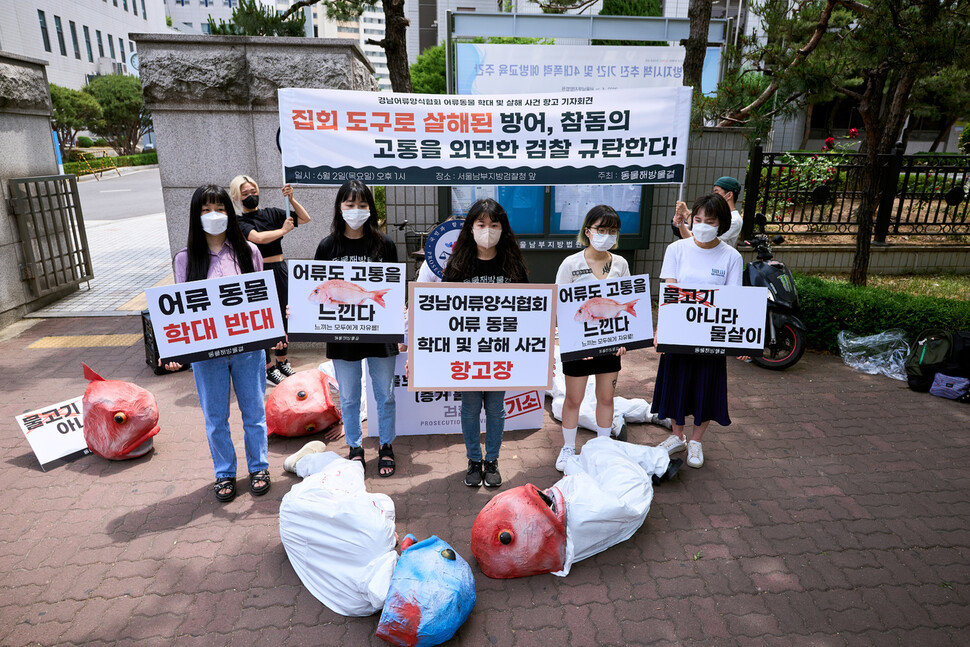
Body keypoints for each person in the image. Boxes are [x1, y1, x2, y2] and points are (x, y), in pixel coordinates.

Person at [167, 185, 273, 502]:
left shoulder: (249, 253)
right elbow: (180, 309)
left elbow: (260, 302)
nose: (214, 216)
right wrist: (175, 351)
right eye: (205, 210)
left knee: (254, 412)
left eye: (220, 209)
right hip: (207, 354)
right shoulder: (185, 260)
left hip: (248, 350)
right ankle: (224, 472)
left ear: (230, 212)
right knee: (215, 418)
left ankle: (259, 467)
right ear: (195, 217)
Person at [314, 180, 399, 477]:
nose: (356, 210)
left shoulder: (384, 244)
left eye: (363, 205)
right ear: (340, 208)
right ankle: (355, 447)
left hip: (379, 333)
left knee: (385, 393)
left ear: (371, 210)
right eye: (350, 205)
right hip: (343, 336)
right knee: (349, 396)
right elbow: (314, 289)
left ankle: (386, 445)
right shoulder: (327, 246)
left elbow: (394, 287)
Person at [443, 198, 529, 488]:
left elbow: (529, 309)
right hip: (466, 351)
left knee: (495, 407)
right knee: (469, 407)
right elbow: (441, 310)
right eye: (481, 224)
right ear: (470, 228)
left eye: (494, 225)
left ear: (503, 229)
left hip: (501, 350)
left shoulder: (513, 264)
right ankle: (473, 460)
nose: (487, 230)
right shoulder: (457, 264)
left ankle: (491, 461)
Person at [653, 193, 743, 469]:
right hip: (680, 334)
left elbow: (734, 301)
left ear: (722, 224)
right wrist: (662, 329)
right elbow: (670, 291)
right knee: (676, 384)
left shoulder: (731, 256)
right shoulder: (677, 249)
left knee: (706, 386)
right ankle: (676, 435)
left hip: (711, 336)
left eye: (710, 221)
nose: (703, 225)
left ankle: (696, 441)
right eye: (698, 219)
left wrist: (741, 340)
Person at [553, 205, 630, 471]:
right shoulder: (570, 264)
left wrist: (623, 340)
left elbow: (626, 306)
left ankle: (603, 448)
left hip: (609, 345)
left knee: (606, 398)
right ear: (588, 231)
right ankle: (567, 449)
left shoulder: (620, 264)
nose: (606, 234)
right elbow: (561, 308)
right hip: (579, 346)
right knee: (573, 399)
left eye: (612, 230)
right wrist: (572, 343)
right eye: (601, 229)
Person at [230, 174, 311, 387]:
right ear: (236, 197)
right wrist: (283, 231)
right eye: (245, 193)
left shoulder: (273, 213)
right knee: (264, 319)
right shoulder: (239, 221)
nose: (250, 196)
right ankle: (268, 368)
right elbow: (257, 238)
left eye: (252, 191)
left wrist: (292, 199)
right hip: (257, 272)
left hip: (279, 269)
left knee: (285, 315)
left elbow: (304, 219)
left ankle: (282, 361)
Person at [672, 176, 743, 248]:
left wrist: (686, 214)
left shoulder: (734, 219)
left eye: (716, 192)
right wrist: (680, 224)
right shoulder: (714, 212)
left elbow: (703, 241)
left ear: (729, 195)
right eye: (698, 220)